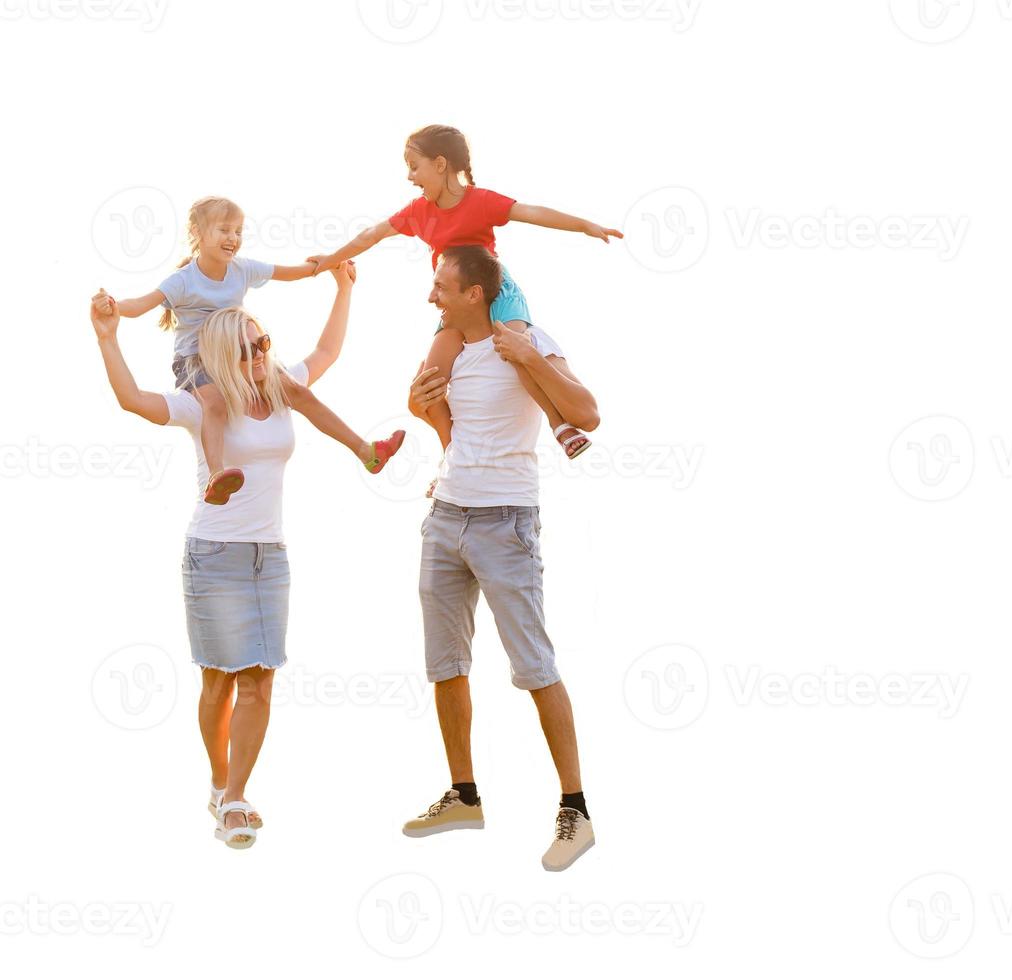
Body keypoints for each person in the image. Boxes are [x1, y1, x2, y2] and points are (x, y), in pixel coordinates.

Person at [91, 259, 362, 849]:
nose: (258, 355)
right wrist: (109, 338)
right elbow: (133, 400)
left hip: (271, 556)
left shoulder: (284, 389)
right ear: (219, 357)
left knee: (261, 681)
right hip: (214, 556)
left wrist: (341, 288)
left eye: (262, 342)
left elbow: (327, 350)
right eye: (245, 350)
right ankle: (218, 784)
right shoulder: (203, 406)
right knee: (218, 683)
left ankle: (237, 797)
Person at [400, 244, 600, 872]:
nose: (433, 297)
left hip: (507, 524)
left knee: (535, 666)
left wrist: (530, 357)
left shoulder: (529, 338)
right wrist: (419, 404)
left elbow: (588, 413)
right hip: (446, 518)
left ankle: (577, 811)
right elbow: (440, 420)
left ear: (475, 294)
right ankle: (463, 796)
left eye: (442, 287)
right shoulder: (450, 350)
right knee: (445, 663)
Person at [306, 123, 621, 460]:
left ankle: (559, 426)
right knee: (430, 380)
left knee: (515, 351)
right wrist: (330, 260)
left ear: (440, 164)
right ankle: (449, 456)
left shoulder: (480, 201)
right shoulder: (418, 212)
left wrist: (585, 225)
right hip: (455, 303)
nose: (410, 177)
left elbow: (531, 212)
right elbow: (371, 235)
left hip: (498, 292)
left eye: (415, 166)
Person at [93, 195, 403, 505]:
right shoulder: (182, 281)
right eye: (224, 230)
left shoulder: (242, 269)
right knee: (213, 405)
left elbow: (291, 273)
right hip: (196, 361)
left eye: (238, 231)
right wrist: (114, 307)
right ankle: (217, 475)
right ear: (198, 234)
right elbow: (141, 304)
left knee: (299, 392)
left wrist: (329, 264)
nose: (233, 238)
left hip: (229, 355)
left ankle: (366, 451)